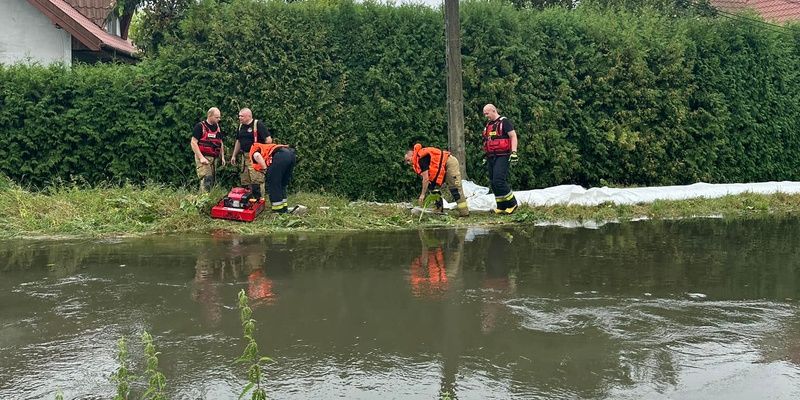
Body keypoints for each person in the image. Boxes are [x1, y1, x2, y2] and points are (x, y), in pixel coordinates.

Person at [404, 143, 469, 217]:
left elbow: (425, 179)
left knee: (455, 189)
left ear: (412, 155)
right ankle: (439, 209)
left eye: (408, 160)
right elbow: (428, 178)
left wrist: (422, 195)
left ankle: (464, 213)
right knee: (432, 188)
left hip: (449, 163)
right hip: (441, 168)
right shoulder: (418, 160)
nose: (409, 163)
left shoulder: (421, 158)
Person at [481, 104, 519, 214]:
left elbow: (513, 136)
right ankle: (501, 206)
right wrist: (485, 156)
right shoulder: (488, 125)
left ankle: (512, 204)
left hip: (503, 155)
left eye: (487, 113)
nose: (486, 116)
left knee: (499, 180)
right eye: (484, 114)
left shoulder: (504, 122)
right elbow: (487, 142)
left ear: (493, 110)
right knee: (493, 182)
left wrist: (514, 152)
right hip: (491, 156)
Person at [230, 108, 271, 200]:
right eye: (239, 116)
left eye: (242, 116)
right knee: (245, 180)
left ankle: (259, 201)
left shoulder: (258, 125)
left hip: (256, 157)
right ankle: (248, 201)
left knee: (257, 180)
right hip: (245, 157)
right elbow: (238, 141)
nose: (239, 118)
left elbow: (268, 140)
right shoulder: (240, 126)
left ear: (249, 116)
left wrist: (262, 154)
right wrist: (234, 155)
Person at [249, 142, 298, 213]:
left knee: (274, 184)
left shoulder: (253, 151)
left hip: (280, 157)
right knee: (282, 184)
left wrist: (265, 169)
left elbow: (257, 156)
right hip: (291, 155)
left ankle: (277, 211)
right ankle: (284, 208)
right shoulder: (263, 147)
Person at [190, 107, 226, 193]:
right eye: (217, 117)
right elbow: (193, 142)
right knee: (207, 180)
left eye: (219, 117)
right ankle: (202, 203)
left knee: (211, 182)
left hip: (214, 158)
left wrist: (222, 157)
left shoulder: (217, 127)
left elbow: (220, 142)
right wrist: (201, 157)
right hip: (203, 157)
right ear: (210, 116)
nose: (219, 119)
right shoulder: (200, 126)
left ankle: (207, 201)